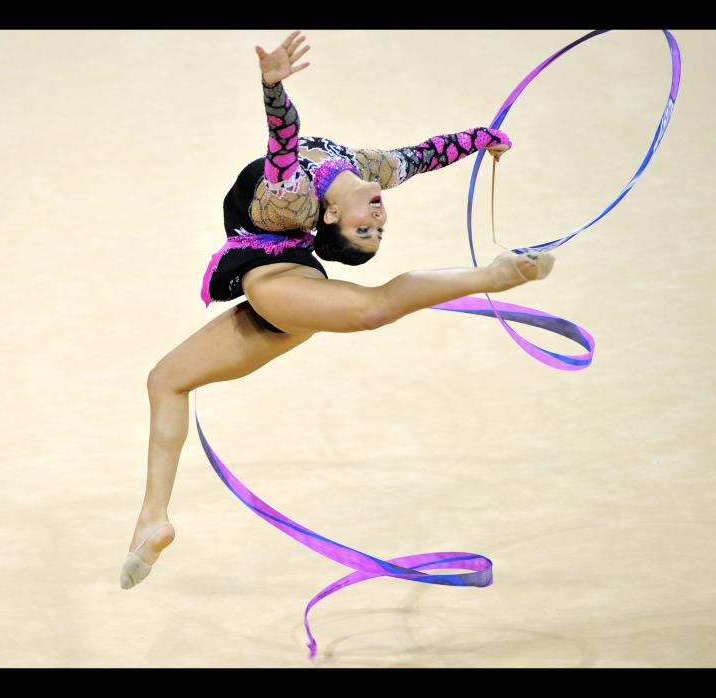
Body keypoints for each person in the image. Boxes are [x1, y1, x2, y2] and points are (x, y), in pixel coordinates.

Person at [121, 31, 554, 589]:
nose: (377, 218)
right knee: (165, 380)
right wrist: (481, 138)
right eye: (374, 229)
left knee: (372, 309)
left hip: (280, 285)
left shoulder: (296, 195)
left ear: (329, 219)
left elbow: (285, 144)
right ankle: (151, 518)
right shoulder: (349, 177)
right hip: (282, 292)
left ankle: (493, 276)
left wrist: (272, 88)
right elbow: (423, 155)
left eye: (365, 230)